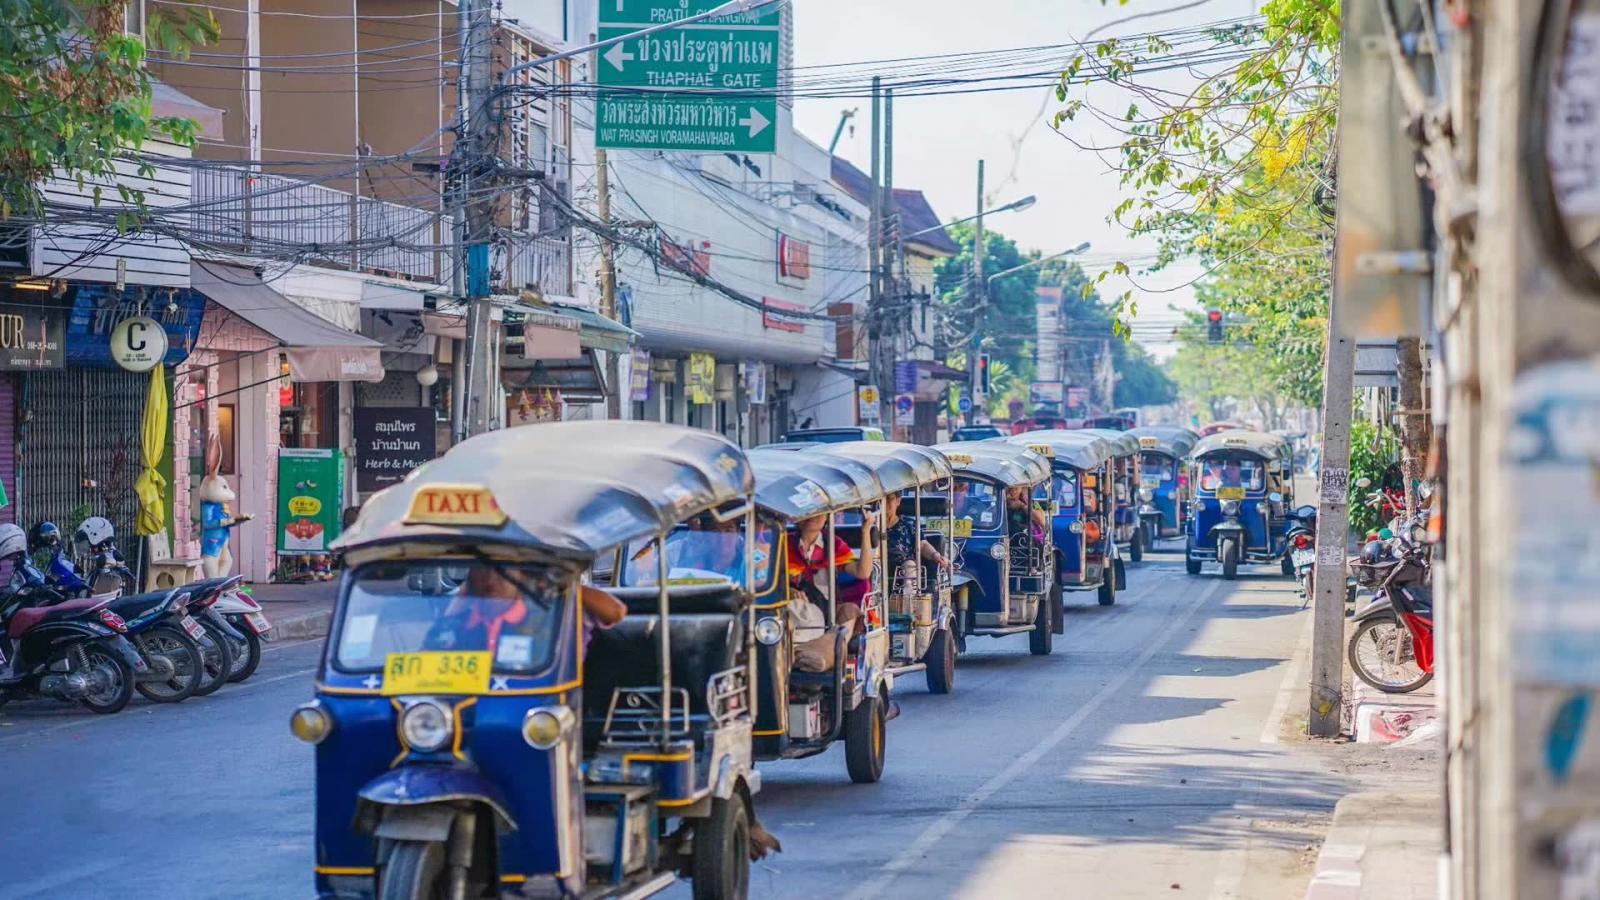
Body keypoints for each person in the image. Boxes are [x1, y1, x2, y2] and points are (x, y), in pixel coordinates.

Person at [787, 509, 874, 634]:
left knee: (850, 611)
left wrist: (866, 532)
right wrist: (788, 591)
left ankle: (836, 647)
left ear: (826, 517)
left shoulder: (834, 544)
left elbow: (863, 572)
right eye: (807, 511)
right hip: (794, 609)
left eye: (819, 510)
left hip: (829, 611)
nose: (812, 515)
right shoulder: (784, 544)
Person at [882, 493, 949, 592]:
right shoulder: (871, 526)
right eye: (882, 500)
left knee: (910, 565)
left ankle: (909, 596)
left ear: (898, 500)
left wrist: (936, 555)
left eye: (889, 499)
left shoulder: (909, 524)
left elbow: (922, 545)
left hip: (904, 565)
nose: (885, 503)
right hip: (877, 564)